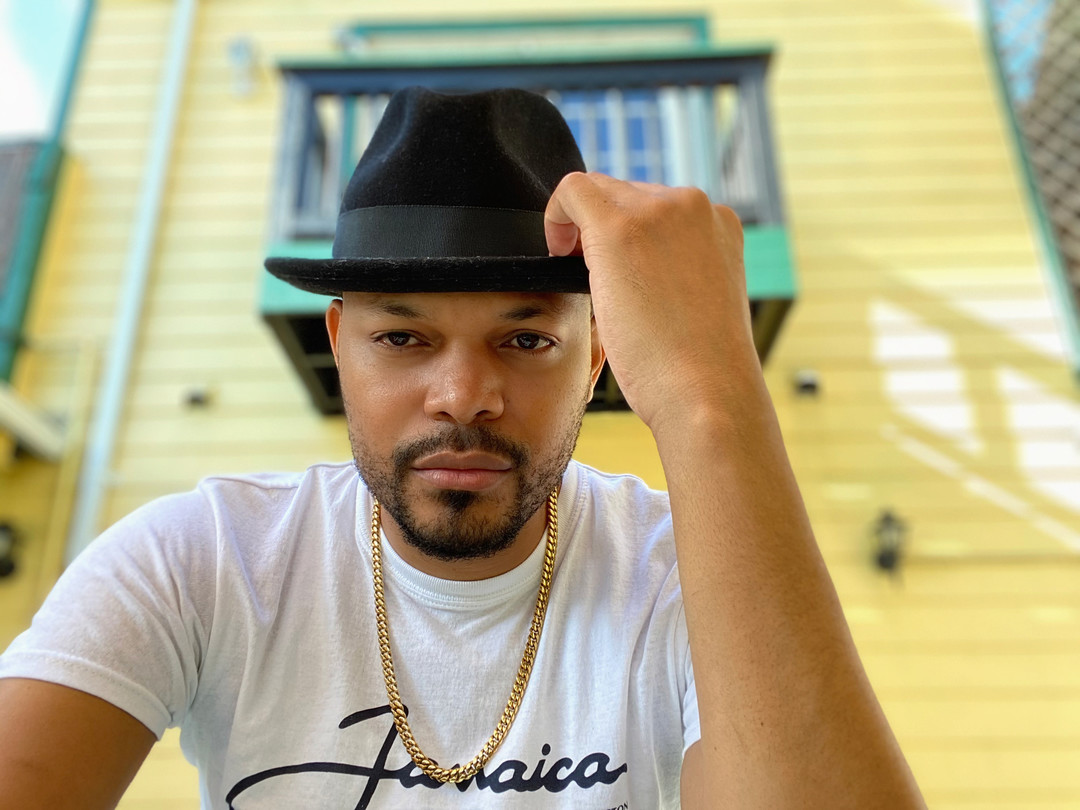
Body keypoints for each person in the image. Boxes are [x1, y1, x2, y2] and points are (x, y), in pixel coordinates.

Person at [0, 87, 926, 808]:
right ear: (339, 346)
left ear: (597, 360)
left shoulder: (689, 574)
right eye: (403, 337)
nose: (463, 396)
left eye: (526, 339)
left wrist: (711, 402)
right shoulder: (202, 563)